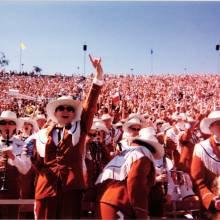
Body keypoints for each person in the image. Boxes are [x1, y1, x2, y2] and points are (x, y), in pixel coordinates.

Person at [23, 54, 104, 219]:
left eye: (70, 108)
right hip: (46, 188)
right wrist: (33, 159)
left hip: (71, 189)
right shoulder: (42, 134)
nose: (66, 111)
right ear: (55, 112)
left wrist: (98, 78)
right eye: (62, 108)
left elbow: (90, 106)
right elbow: (36, 162)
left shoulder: (79, 129)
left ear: (75, 113)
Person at [95, 132, 164, 219]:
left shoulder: (125, 154)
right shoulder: (142, 157)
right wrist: (140, 211)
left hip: (104, 200)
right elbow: (136, 184)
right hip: (120, 204)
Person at [0, 110, 30, 219]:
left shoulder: (22, 144)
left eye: (10, 123)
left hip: (13, 189)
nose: (7, 125)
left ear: (15, 126)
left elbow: (26, 169)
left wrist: (12, 157)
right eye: (3, 123)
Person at [191, 110, 220, 217]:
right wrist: (211, 199)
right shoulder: (201, 148)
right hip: (212, 209)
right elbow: (198, 181)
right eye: (218, 124)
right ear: (211, 128)